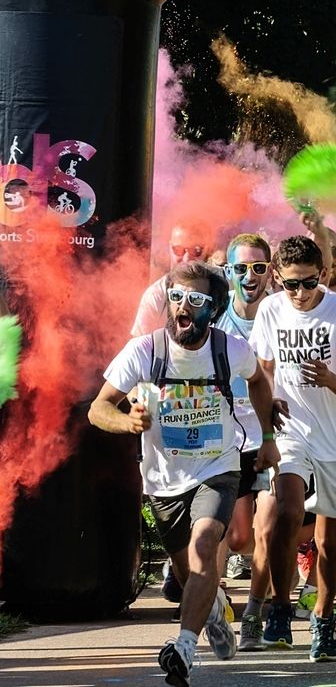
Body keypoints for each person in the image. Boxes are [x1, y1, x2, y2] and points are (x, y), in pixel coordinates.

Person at [89, 262, 280, 687]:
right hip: (162, 478)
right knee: (187, 570)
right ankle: (211, 612)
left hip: (218, 467)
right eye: (176, 296)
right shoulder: (145, 351)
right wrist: (128, 423)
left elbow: (259, 382)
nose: (182, 306)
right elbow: (98, 408)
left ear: (214, 309)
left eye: (196, 299)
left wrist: (267, 437)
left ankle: (184, 647)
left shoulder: (230, 349)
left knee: (204, 544)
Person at [249, 236, 336, 662]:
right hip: (290, 430)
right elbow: (261, 370)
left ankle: (322, 614)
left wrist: (328, 378)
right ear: (277, 278)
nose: (300, 294)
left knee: (330, 534)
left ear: (323, 275)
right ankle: (280, 609)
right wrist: (268, 407)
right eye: (291, 285)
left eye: (308, 283)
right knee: (286, 511)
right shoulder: (270, 310)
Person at [211, 233, 282, 652]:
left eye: (258, 268)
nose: (249, 276)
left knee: (268, 531)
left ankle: (254, 613)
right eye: (241, 268)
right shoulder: (217, 316)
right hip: (227, 438)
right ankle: (216, 607)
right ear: (229, 272)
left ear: (270, 270)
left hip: (273, 437)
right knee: (233, 536)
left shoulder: (281, 311)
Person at [131, 224, 214, 336]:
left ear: (207, 249)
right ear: (170, 247)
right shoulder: (156, 295)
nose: (186, 258)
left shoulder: (220, 291)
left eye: (196, 250)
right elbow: (139, 346)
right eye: (179, 250)